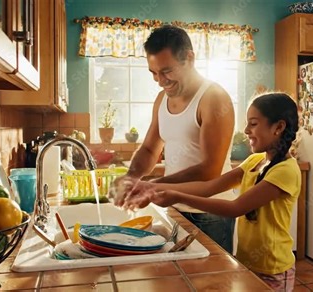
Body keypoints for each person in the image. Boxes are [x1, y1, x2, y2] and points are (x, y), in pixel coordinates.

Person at [123, 92, 301, 292]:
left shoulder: (286, 171)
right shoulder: (255, 161)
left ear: (279, 127)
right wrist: (154, 187)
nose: (245, 130)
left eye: (253, 124)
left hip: (273, 268)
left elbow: (236, 208)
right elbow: (209, 188)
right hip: (248, 261)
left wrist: (177, 196)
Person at [109, 25, 236, 253]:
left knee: (212, 285)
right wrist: (130, 179)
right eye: (153, 73)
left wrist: (152, 186)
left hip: (209, 214)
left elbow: (210, 170)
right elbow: (149, 149)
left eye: (166, 71)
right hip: (173, 207)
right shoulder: (161, 100)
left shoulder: (213, 98)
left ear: (189, 58)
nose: (160, 81)